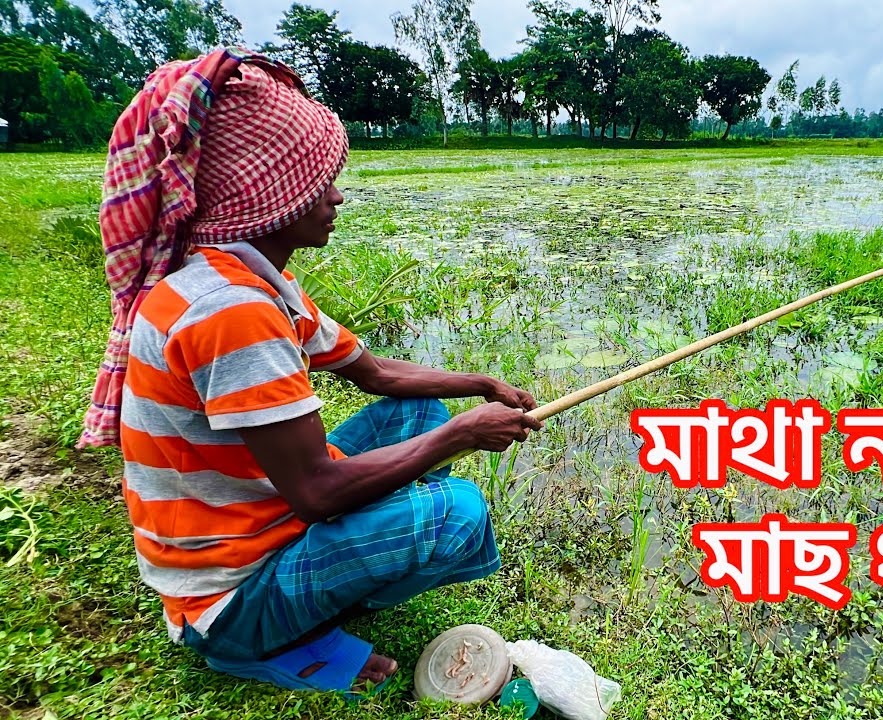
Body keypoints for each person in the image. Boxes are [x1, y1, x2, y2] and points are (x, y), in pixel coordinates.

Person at [80, 48, 542, 697]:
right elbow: (317, 493)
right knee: (458, 513)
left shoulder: (251, 279)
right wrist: (464, 435)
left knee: (419, 412)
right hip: (226, 601)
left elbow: (376, 373)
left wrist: (477, 387)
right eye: (318, 184)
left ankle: (319, 586)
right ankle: (266, 641)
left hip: (259, 522)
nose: (336, 197)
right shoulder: (233, 313)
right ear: (268, 200)